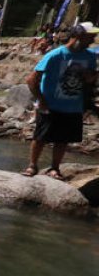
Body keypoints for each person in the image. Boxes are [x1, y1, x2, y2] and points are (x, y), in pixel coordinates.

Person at [22, 22, 99, 179]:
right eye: (90, 37)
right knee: (40, 137)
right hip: (50, 104)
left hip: (73, 106)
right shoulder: (56, 55)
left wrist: (90, 75)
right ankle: (32, 166)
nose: (93, 41)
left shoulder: (90, 56)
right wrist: (41, 100)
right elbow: (31, 80)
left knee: (63, 139)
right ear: (78, 36)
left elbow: (92, 78)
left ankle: (55, 168)